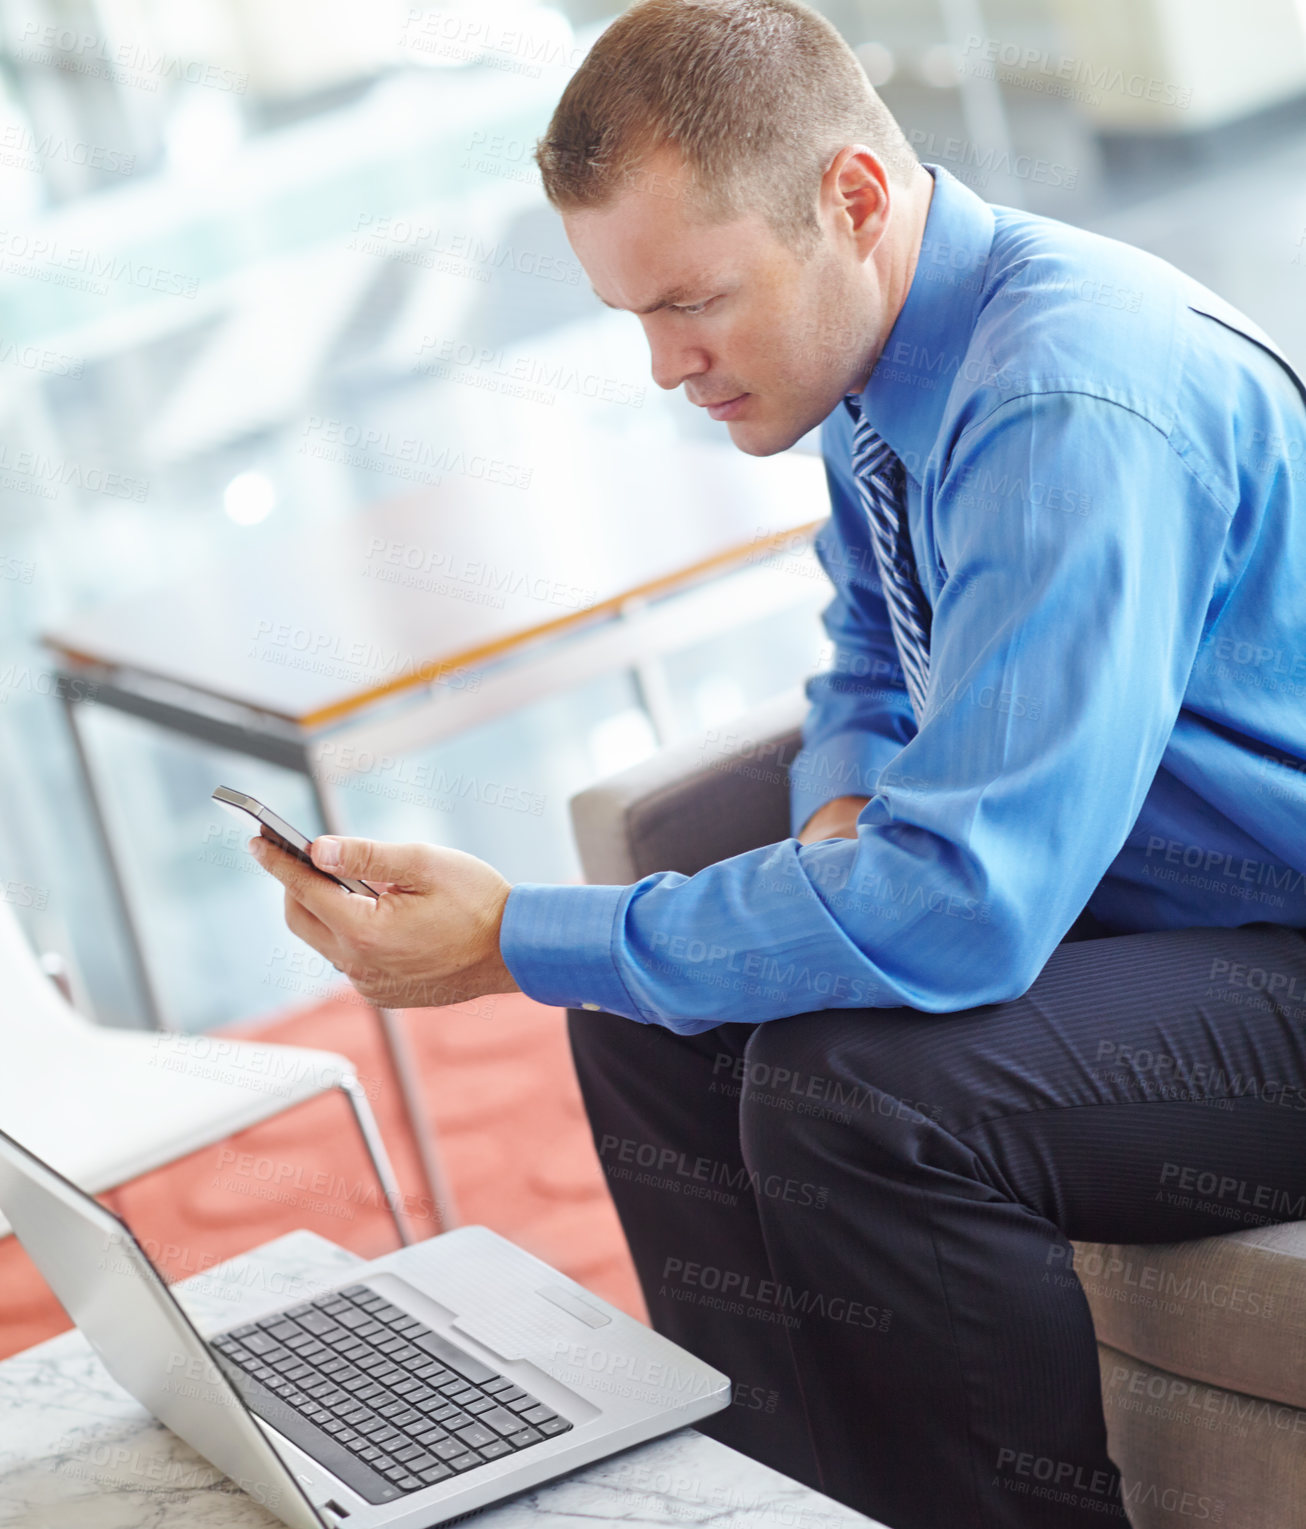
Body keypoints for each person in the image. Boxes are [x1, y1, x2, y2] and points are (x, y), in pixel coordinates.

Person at [249, 2, 1306, 1524]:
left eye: (692, 302)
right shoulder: (873, 353)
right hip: (1133, 901)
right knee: (643, 1024)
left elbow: (965, 906)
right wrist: (839, 811)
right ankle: (778, 1502)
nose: (666, 365)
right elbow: (875, 655)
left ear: (851, 201)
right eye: (633, 317)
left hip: (1269, 944)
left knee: (855, 1096)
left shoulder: (1059, 401)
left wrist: (508, 937)